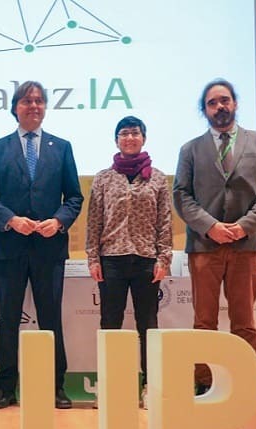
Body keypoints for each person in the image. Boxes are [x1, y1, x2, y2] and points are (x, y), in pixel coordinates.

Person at [0, 80, 84, 409]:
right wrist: (10, 219)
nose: (33, 106)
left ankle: (56, 387)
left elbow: (75, 197)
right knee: (7, 318)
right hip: (9, 246)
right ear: (15, 108)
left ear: (45, 107)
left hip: (49, 248)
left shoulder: (61, 147)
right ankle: (5, 388)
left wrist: (60, 220)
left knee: (50, 317)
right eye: (27, 101)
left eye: (39, 100)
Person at [172, 78, 256, 395]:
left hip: (245, 245)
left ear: (235, 103)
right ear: (204, 110)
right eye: (212, 103)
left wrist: (244, 225)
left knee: (244, 321)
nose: (220, 107)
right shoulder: (190, 149)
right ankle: (204, 384)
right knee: (204, 322)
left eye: (225, 100)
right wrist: (211, 226)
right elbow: (182, 195)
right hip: (205, 246)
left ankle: (244, 384)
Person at [86, 116, 172, 405]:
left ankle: (150, 386)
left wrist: (164, 257)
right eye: (124, 134)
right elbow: (94, 221)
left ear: (144, 138)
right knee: (110, 322)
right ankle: (110, 387)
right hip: (111, 259)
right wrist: (92, 258)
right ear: (116, 141)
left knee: (148, 324)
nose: (130, 138)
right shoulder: (103, 178)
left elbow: (165, 222)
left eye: (135, 133)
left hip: (147, 259)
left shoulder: (158, 178)